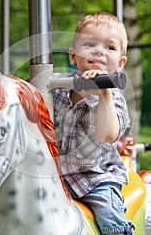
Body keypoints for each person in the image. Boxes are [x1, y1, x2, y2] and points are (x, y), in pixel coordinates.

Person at [53, 12, 134, 235]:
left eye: (110, 48)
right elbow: (26, 96)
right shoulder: (56, 85)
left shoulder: (113, 96)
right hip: (57, 177)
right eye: (90, 44)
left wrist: (104, 94)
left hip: (96, 178)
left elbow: (107, 136)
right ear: (72, 56)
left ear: (120, 63)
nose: (99, 51)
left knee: (110, 216)